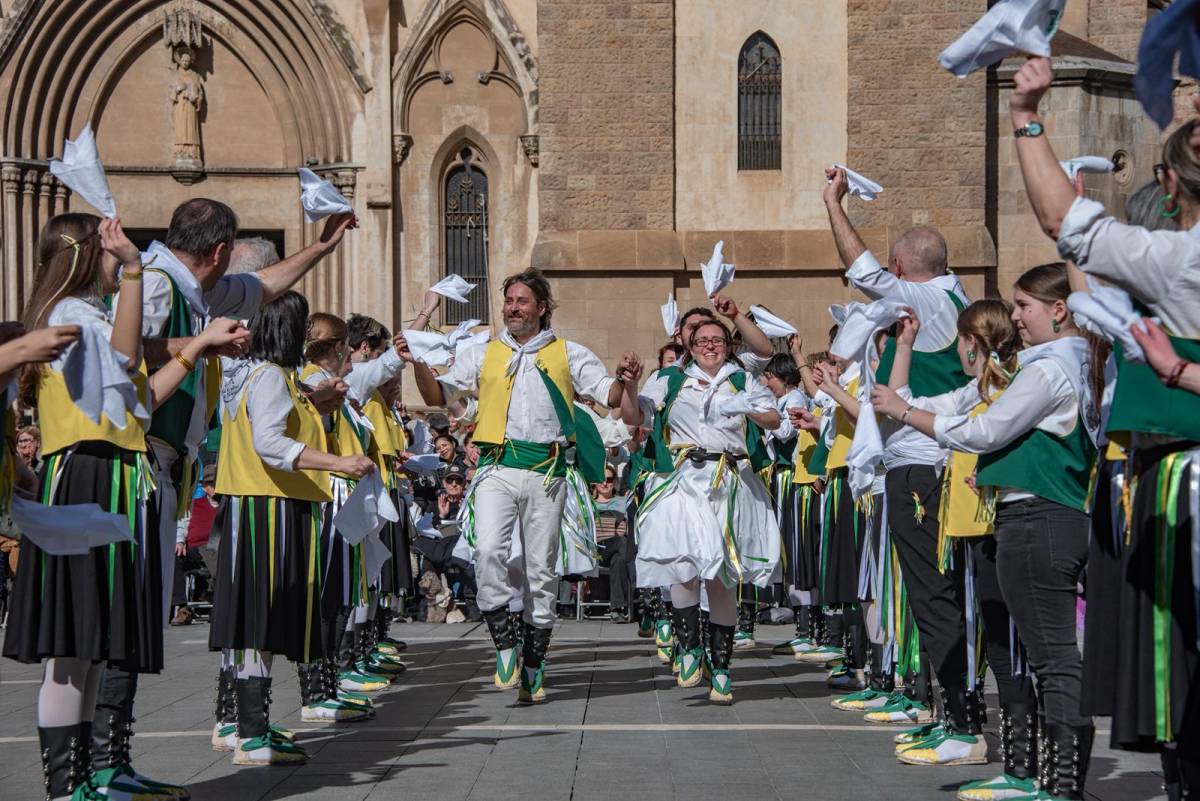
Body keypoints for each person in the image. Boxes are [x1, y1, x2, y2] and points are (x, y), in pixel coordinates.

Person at [101, 199, 355, 797]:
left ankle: (113, 759)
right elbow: (126, 356)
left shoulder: (197, 289)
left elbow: (263, 284)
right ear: (217, 252)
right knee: (128, 617)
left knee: (141, 617)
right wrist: (199, 344)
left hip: (166, 466)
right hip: (139, 461)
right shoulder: (160, 285)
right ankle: (104, 766)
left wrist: (320, 249)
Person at [1007, 56, 1200, 799]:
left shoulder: (1178, 259)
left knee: (1180, 659)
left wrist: (1028, 113)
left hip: (1184, 481)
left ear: (1171, 186)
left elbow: (1066, 224)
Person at [3, 212, 245, 801]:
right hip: (86, 475)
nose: (122, 256)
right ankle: (66, 787)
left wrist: (199, 348)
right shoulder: (70, 314)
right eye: (111, 249)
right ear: (89, 254)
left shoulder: (90, 316)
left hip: (114, 476)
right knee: (71, 648)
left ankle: (88, 778)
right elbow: (122, 357)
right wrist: (136, 272)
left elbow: (139, 399)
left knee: (91, 648)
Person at [872, 264, 1100, 797]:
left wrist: (906, 412)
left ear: (1059, 310)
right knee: (1020, 645)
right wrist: (906, 402)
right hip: (1028, 515)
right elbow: (950, 412)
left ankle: (1059, 785)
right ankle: (1030, 771)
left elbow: (985, 429)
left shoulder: (1047, 369)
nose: (1015, 317)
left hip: (1039, 515)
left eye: (1024, 306)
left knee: (1048, 655)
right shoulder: (1057, 364)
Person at [400, 269, 622, 704]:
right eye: (509, 301)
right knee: (486, 552)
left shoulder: (568, 352)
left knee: (541, 571)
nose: (513, 308)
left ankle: (534, 663)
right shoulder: (484, 353)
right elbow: (439, 394)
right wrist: (419, 363)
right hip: (497, 468)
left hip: (548, 472)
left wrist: (627, 378)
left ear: (541, 308)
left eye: (522, 301)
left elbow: (609, 394)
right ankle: (504, 640)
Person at [823, 164, 979, 756]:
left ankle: (963, 723)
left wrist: (835, 202)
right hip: (927, 460)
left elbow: (859, 271)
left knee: (932, 595)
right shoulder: (952, 292)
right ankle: (947, 710)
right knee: (928, 595)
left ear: (901, 269)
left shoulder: (927, 296)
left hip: (921, 461)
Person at [874, 300, 1041, 795]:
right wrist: (904, 344)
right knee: (987, 628)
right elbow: (902, 402)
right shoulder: (978, 387)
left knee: (1009, 639)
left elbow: (972, 429)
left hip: (997, 521)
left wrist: (907, 408)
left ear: (972, 342)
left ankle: (1016, 757)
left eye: (963, 340)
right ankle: (1002, 752)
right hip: (969, 523)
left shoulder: (1013, 381)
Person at [208, 291, 374, 766]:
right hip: (270, 507)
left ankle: (241, 724)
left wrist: (318, 401)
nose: (306, 339)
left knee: (253, 620)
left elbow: (282, 419)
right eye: (301, 328)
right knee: (260, 619)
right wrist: (339, 461)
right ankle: (252, 733)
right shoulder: (269, 377)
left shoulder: (256, 374)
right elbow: (271, 443)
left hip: (262, 505)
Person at [622, 318, 781, 704]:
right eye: (702, 341)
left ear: (728, 346)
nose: (710, 346)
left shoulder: (742, 379)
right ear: (690, 347)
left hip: (730, 480)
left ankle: (722, 668)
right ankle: (690, 647)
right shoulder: (671, 380)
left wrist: (751, 410)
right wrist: (628, 384)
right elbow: (633, 416)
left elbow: (775, 419)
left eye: (717, 341)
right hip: (683, 479)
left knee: (722, 577)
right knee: (683, 563)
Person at [169, 476, 218, 627]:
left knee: (214, 554)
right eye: (209, 484)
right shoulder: (193, 505)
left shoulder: (226, 506)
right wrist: (180, 541)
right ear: (203, 487)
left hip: (216, 547)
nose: (213, 487)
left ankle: (214, 598)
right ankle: (182, 607)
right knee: (175, 558)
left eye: (215, 483)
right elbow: (182, 523)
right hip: (195, 548)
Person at [593, 466, 633, 622]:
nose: (605, 483)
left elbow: (626, 527)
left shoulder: (622, 502)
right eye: (601, 480)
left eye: (609, 480)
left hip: (616, 549)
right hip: (596, 549)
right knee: (622, 543)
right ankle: (636, 584)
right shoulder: (589, 502)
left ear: (615, 482)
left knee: (619, 560)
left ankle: (616, 609)